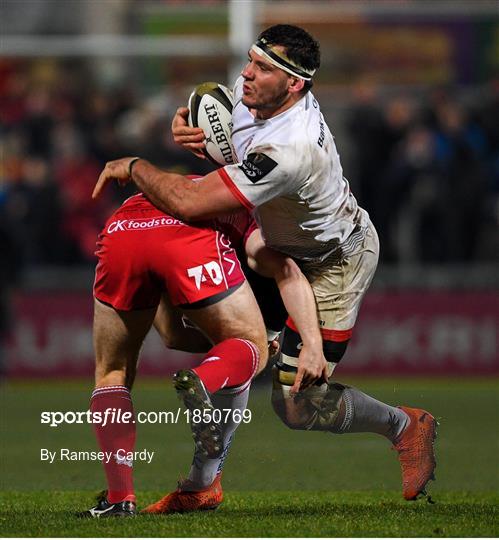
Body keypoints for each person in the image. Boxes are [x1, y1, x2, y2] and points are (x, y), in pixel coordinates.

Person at [93, 24, 437, 505]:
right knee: (225, 341)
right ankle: (201, 484)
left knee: (298, 405)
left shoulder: (290, 148)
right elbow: (214, 120)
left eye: (262, 68)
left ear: (295, 84)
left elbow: (192, 203)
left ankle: (405, 425)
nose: (246, 75)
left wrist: (136, 167)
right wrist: (184, 125)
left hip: (333, 262)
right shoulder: (258, 93)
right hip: (277, 244)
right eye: (251, 61)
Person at [82, 190, 325, 517]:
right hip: (187, 236)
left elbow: (172, 335)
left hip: (122, 230)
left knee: (112, 371)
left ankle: (119, 498)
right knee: (254, 345)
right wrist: (308, 341)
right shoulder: (247, 212)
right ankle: (201, 380)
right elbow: (284, 270)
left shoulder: (165, 191)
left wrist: (223, 351)